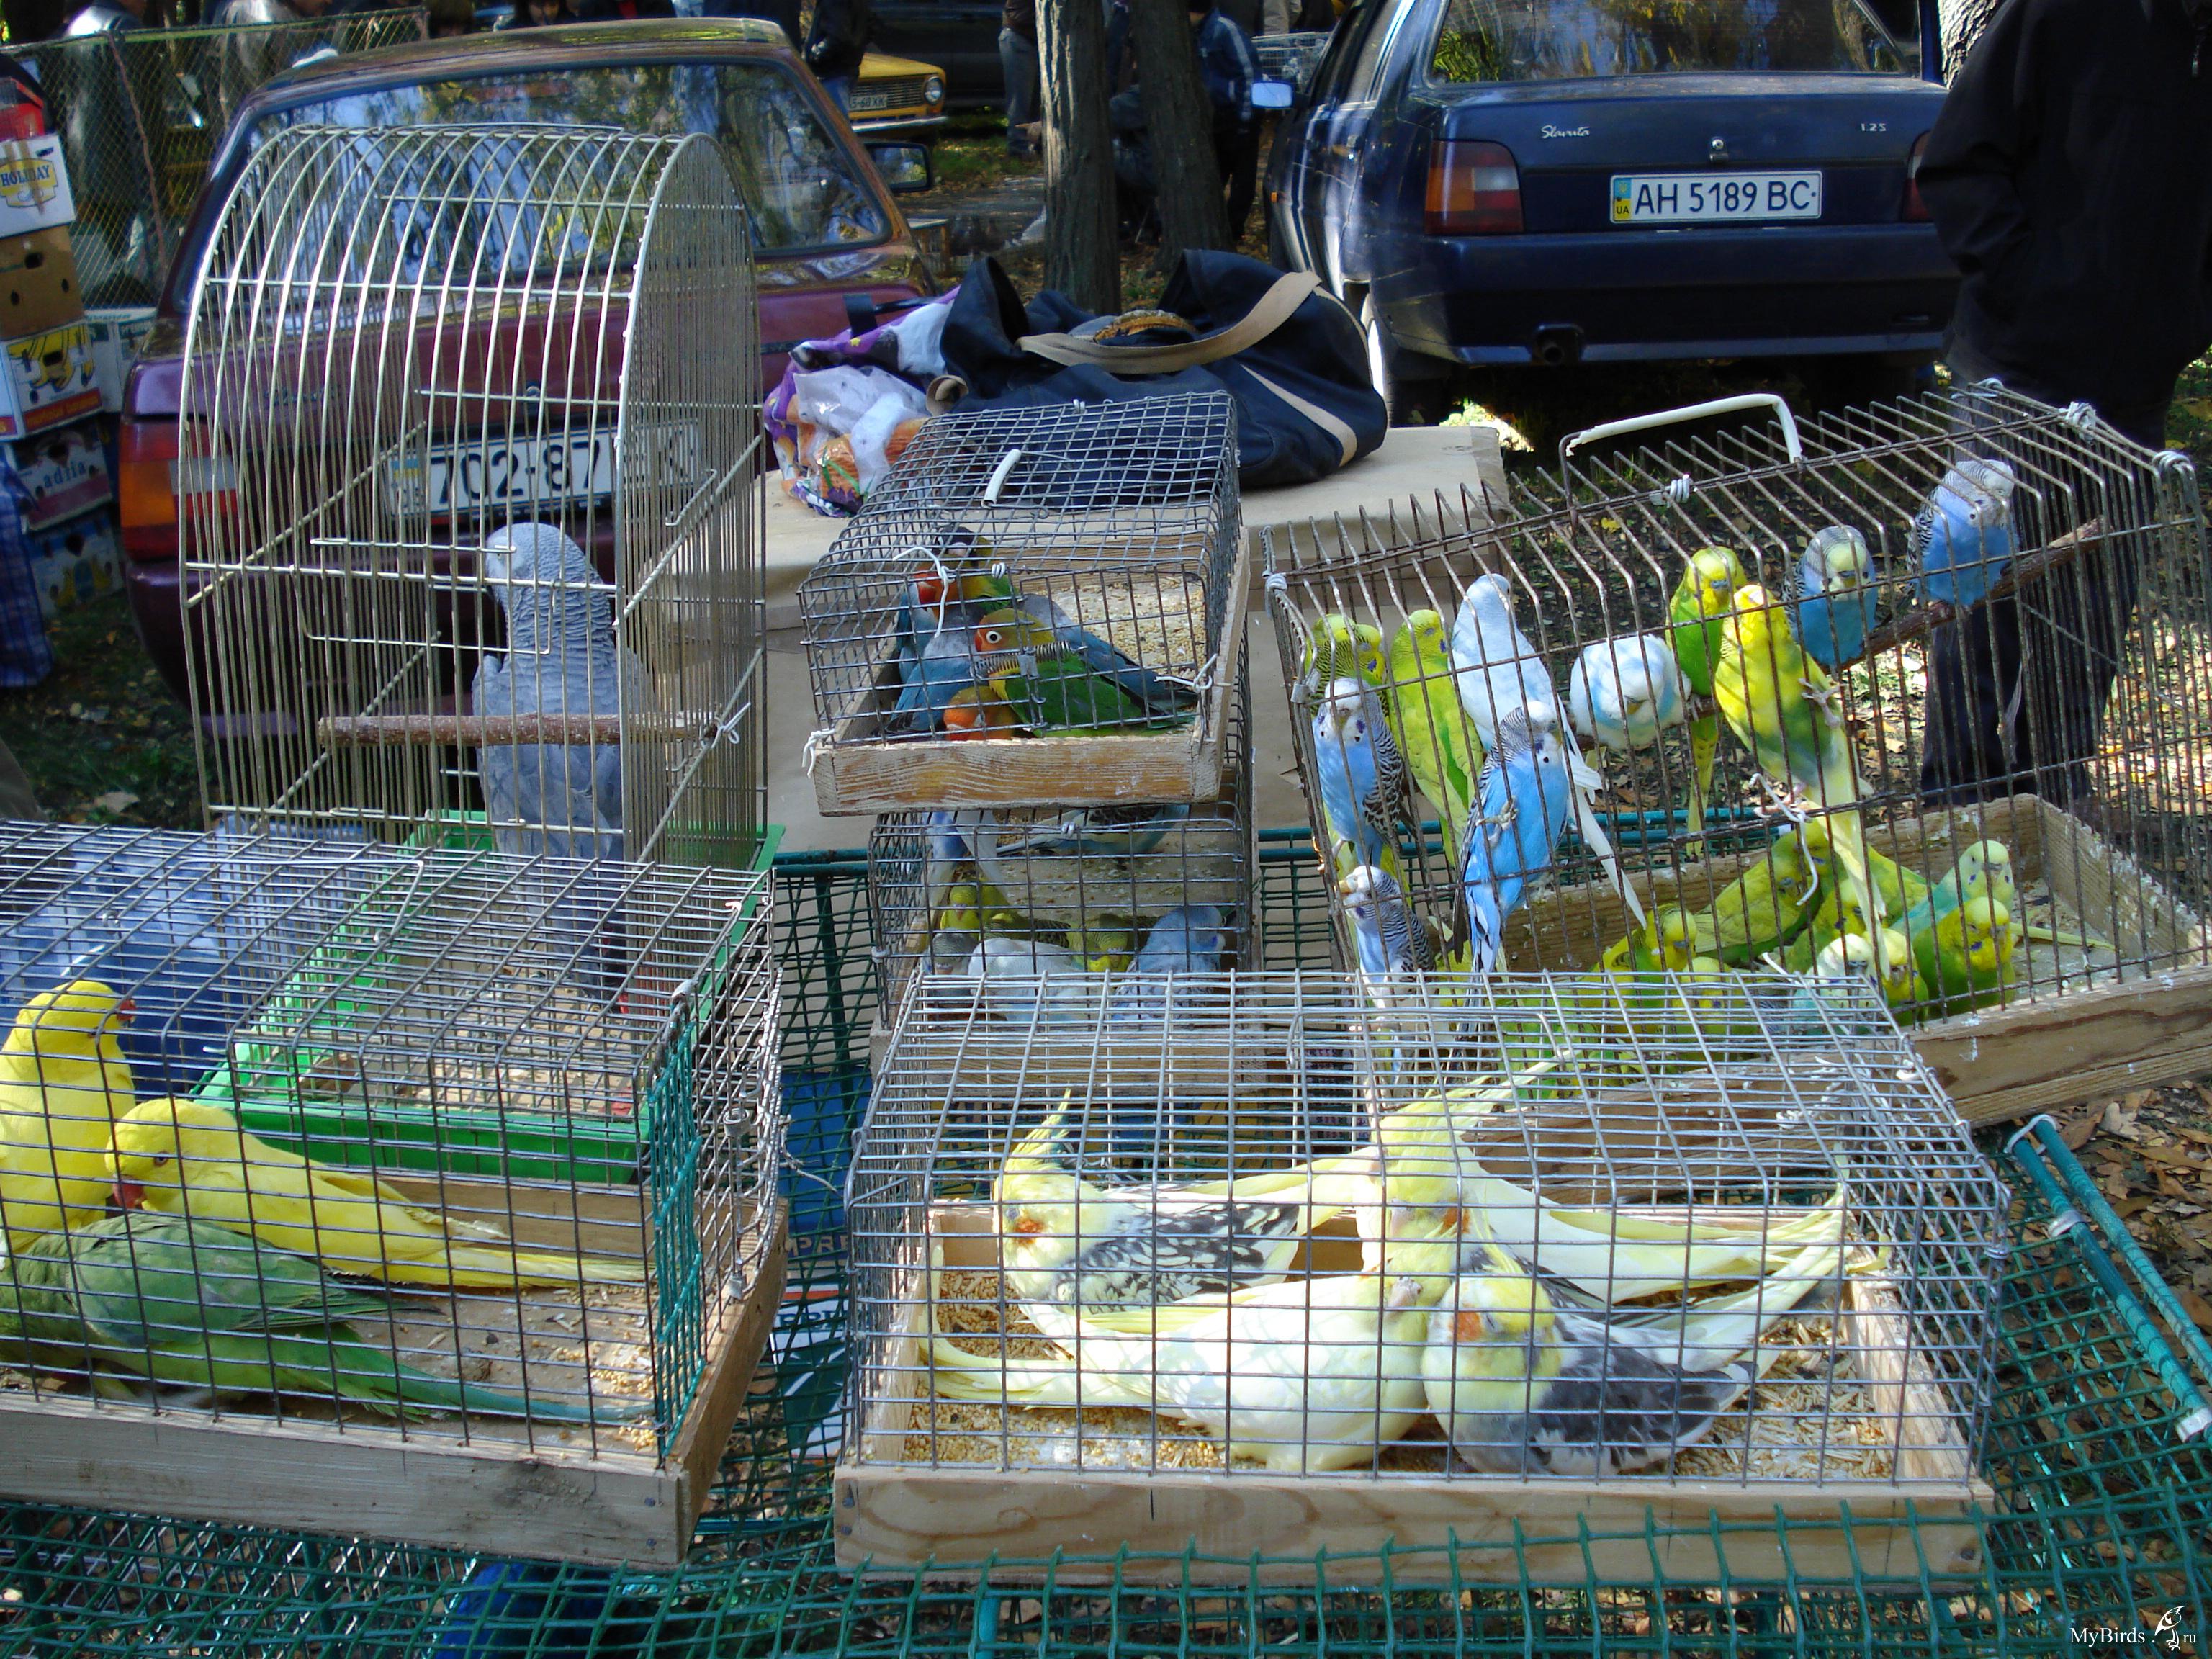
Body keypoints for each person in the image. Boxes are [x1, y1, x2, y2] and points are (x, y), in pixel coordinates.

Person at [1915, 0, 2212, 806]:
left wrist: (2184, 322)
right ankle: (1954, 815)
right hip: (2015, 376)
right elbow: (1958, 161)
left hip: (2135, 395)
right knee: (1978, 617)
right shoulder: (2061, 13)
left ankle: (2052, 819)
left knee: (2087, 634)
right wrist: (2028, 289)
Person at [1189, 0, 1260, 240]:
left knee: (1243, 177)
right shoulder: (1198, 33)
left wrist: (1245, 118)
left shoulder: (1224, 30)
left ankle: (1234, 229)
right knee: (1216, 173)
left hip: (1236, 114)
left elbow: (1247, 74)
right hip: (1215, 115)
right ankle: (1214, 226)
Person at [804, 0, 871, 112]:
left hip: (830, 71)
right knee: (834, 117)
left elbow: (838, 36)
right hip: (846, 67)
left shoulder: (835, 3)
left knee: (832, 118)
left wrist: (815, 54)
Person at [999, 0, 1039, 156]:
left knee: (1037, 100)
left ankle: (1036, 145)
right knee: (1020, 99)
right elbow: (1020, 17)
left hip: (1034, 39)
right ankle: (1018, 146)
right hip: (1018, 37)